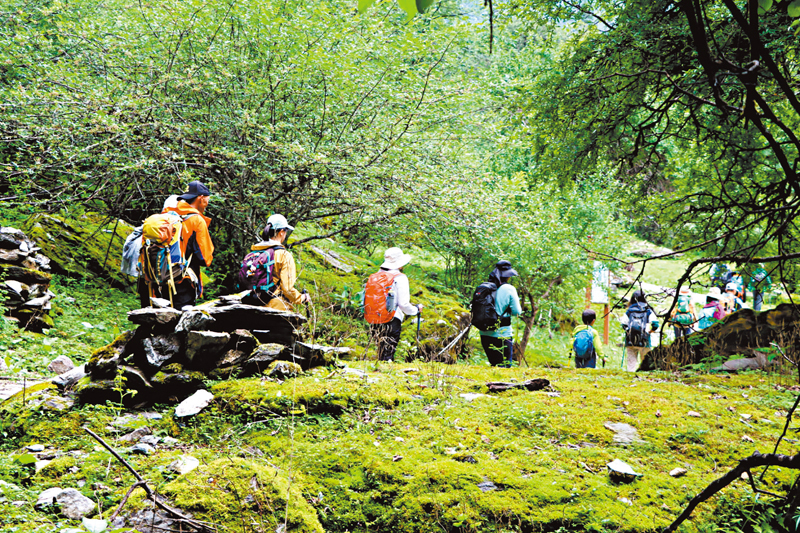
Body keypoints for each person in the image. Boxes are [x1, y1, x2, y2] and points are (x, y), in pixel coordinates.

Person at [239, 214, 311, 311]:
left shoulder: (254, 252)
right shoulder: (284, 255)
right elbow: (287, 289)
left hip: (250, 305)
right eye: (285, 231)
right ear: (281, 232)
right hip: (275, 307)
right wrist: (302, 298)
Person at [162, 181, 215, 309]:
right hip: (183, 280)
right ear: (201, 198)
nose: (208, 202)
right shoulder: (196, 220)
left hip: (162, 278)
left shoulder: (167, 215)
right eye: (207, 199)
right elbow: (204, 257)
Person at [366, 247, 422, 362]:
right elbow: (403, 304)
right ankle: (386, 374)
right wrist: (415, 310)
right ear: (400, 264)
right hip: (392, 319)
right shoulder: (400, 278)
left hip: (374, 319)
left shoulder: (375, 276)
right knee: (388, 354)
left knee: (381, 351)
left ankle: (379, 372)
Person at [476, 261, 522, 367]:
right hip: (502, 334)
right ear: (508, 276)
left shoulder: (485, 287)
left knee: (494, 365)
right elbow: (517, 312)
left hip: (484, 333)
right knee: (504, 367)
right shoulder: (509, 289)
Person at [619, 290, 659, 372]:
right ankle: (645, 378)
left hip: (631, 340)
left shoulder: (629, 310)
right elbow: (655, 324)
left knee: (631, 362)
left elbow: (623, 324)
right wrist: (650, 331)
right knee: (645, 361)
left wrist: (628, 332)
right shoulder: (648, 310)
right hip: (645, 340)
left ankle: (630, 376)